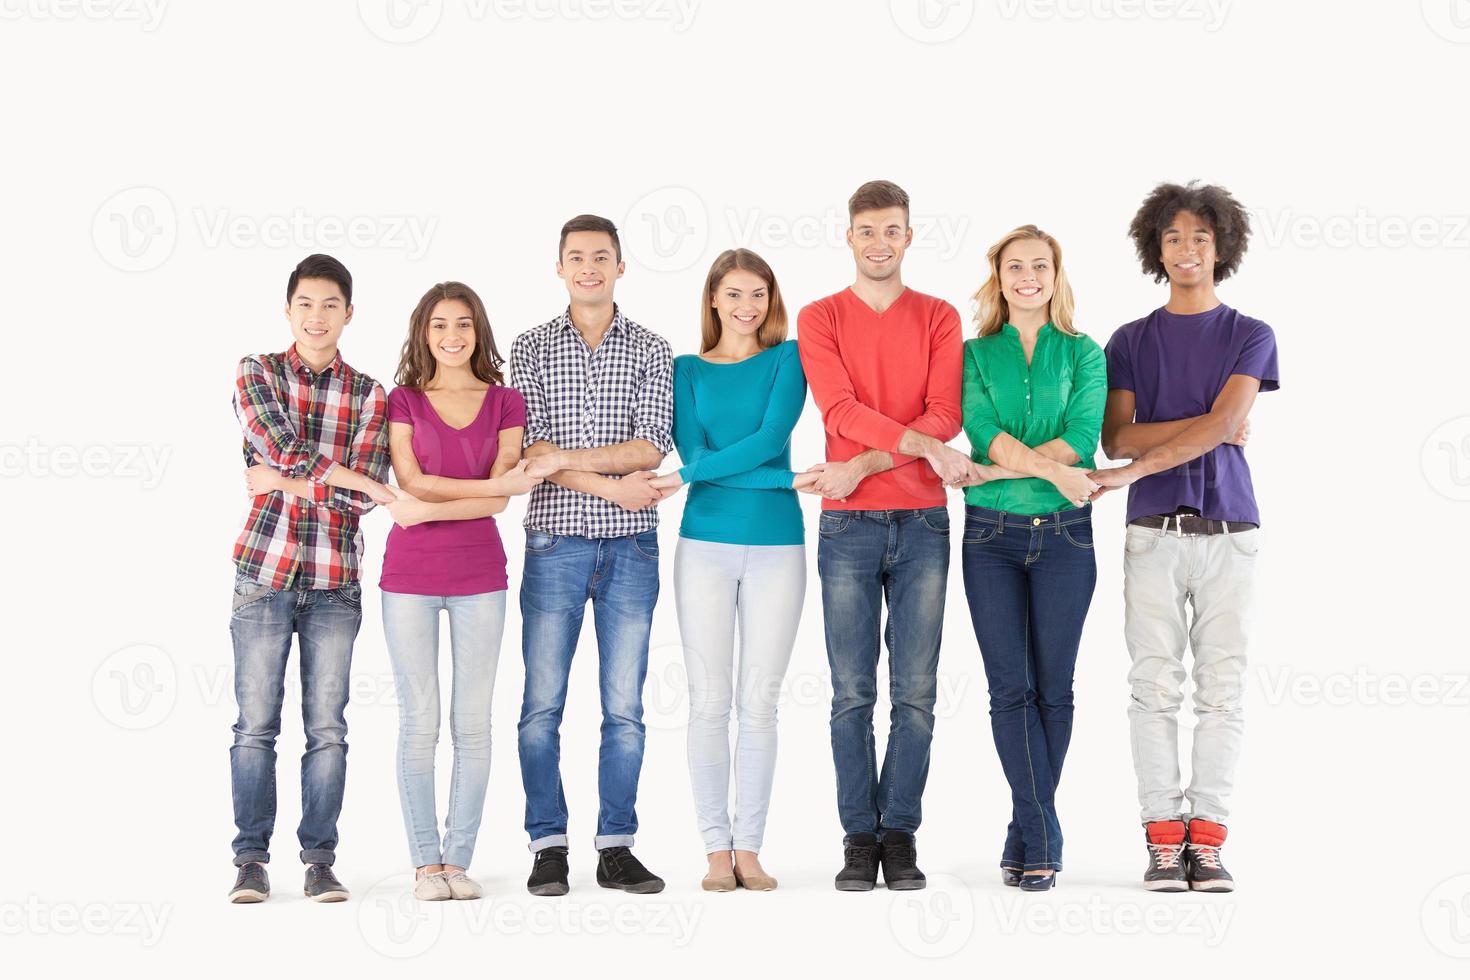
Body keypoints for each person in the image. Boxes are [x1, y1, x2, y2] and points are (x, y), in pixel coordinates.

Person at [1091, 181, 1278, 893]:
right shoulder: (1130, 341)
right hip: (1153, 533)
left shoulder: (1251, 334)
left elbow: (1138, 447)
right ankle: (1164, 839)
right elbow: (1115, 435)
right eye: (1173, 237)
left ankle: (1211, 840)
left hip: (1231, 530)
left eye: (1201, 236)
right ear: (1154, 248)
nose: (1187, 248)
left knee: (1223, 692)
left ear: (1222, 246)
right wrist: (1212, 427)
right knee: (1153, 690)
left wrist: (1143, 457)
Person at [797, 180, 972, 892]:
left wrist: (867, 461)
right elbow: (837, 407)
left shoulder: (937, 316)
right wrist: (896, 451)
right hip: (848, 527)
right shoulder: (820, 316)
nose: (879, 243)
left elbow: (946, 415)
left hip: (924, 521)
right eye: (867, 230)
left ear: (909, 236)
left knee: (917, 692)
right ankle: (856, 837)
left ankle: (899, 833)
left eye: (892, 230)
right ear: (849, 236)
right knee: (849, 692)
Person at [511, 214, 674, 896]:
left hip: (631, 549)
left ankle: (616, 845)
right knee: (542, 705)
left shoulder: (652, 347)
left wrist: (566, 462)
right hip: (554, 542)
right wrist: (608, 484)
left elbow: (651, 445)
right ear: (559, 268)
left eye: (601, 257)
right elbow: (530, 451)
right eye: (576, 257)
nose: (589, 267)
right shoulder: (528, 348)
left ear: (620, 267)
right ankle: (548, 845)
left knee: (625, 708)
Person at [227, 254, 392, 904]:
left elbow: (365, 500)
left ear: (348, 313)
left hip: (334, 585)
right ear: (288, 309)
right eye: (305, 304)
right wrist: (336, 476)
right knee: (255, 725)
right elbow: (279, 445)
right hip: (262, 575)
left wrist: (285, 484)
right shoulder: (256, 372)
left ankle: (320, 858)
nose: (317, 316)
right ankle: (250, 860)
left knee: (328, 726)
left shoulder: (370, 393)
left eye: (330, 305)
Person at [649, 249, 816, 892]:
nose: (748, 306)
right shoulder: (684, 369)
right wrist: (786, 482)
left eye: (759, 294)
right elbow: (697, 449)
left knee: (760, 703)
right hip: (705, 546)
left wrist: (683, 478)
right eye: (735, 294)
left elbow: (765, 440)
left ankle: (750, 847)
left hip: (777, 547)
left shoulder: (787, 358)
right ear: (713, 299)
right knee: (709, 701)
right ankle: (715, 850)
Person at [378, 282, 542, 901]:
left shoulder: (505, 401)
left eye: (465, 325)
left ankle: (458, 860)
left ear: (479, 333)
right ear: (424, 332)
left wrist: (431, 503)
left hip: (480, 576)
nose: (453, 336)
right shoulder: (403, 399)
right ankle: (425, 863)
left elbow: (501, 496)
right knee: (420, 723)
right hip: (410, 578)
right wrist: (474, 493)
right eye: (441, 325)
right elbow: (408, 478)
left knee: (473, 724)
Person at [956, 225, 1106, 892]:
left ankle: (1026, 831)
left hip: (1068, 537)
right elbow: (981, 432)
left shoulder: (1084, 353)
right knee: (1008, 688)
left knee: (1056, 687)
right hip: (990, 538)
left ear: (1055, 274)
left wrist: (1000, 471)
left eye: (1039, 266)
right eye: (1014, 266)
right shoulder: (974, 353)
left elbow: (1082, 436)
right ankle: (1042, 833)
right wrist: (1040, 472)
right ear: (999, 276)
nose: (1027, 277)